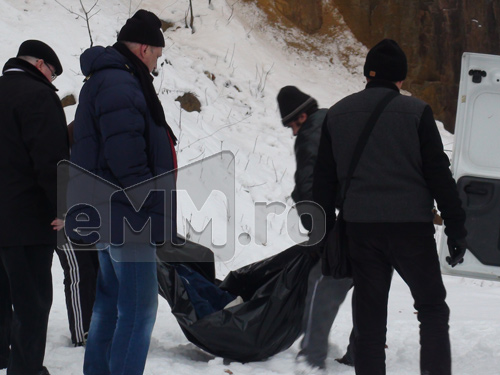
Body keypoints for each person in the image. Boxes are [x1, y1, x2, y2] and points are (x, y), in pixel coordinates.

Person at [313, 39, 467, 375]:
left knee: (369, 324)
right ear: (400, 79)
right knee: (431, 310)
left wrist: (322, 236)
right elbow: (439, 174)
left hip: (361, 232)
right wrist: (456, 227)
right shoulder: (417, 113)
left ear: (367, 75)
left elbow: (322, 183)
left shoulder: (337, 114)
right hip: (411, 230)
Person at [69, 9, 177, 375]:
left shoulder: (110, 78)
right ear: (144, 48)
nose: (155, 66)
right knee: (139, 310)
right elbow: (126, 156)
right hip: (127, 216)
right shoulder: (120, 83)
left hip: (107, 212)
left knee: (110, 303)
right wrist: (151, 205)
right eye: (157, 57)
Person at [0, 40, 69, 375]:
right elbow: (51, 161)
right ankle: (25, 370)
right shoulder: (39, 96)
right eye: (52, 73)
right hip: (26, 220)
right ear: (40, 64)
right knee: (32, 304)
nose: (53, 81)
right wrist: (65, 207)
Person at [277, 86, 354, 373]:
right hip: (375, 217)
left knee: (321, 281)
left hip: (345, 222)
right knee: (370, 286)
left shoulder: (311, 135)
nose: (293, 133)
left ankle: (310, 359)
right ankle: (360, 352)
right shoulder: (336, 121)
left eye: (292, 125)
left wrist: (319, 234)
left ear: (303, 116)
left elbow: (309, 189)